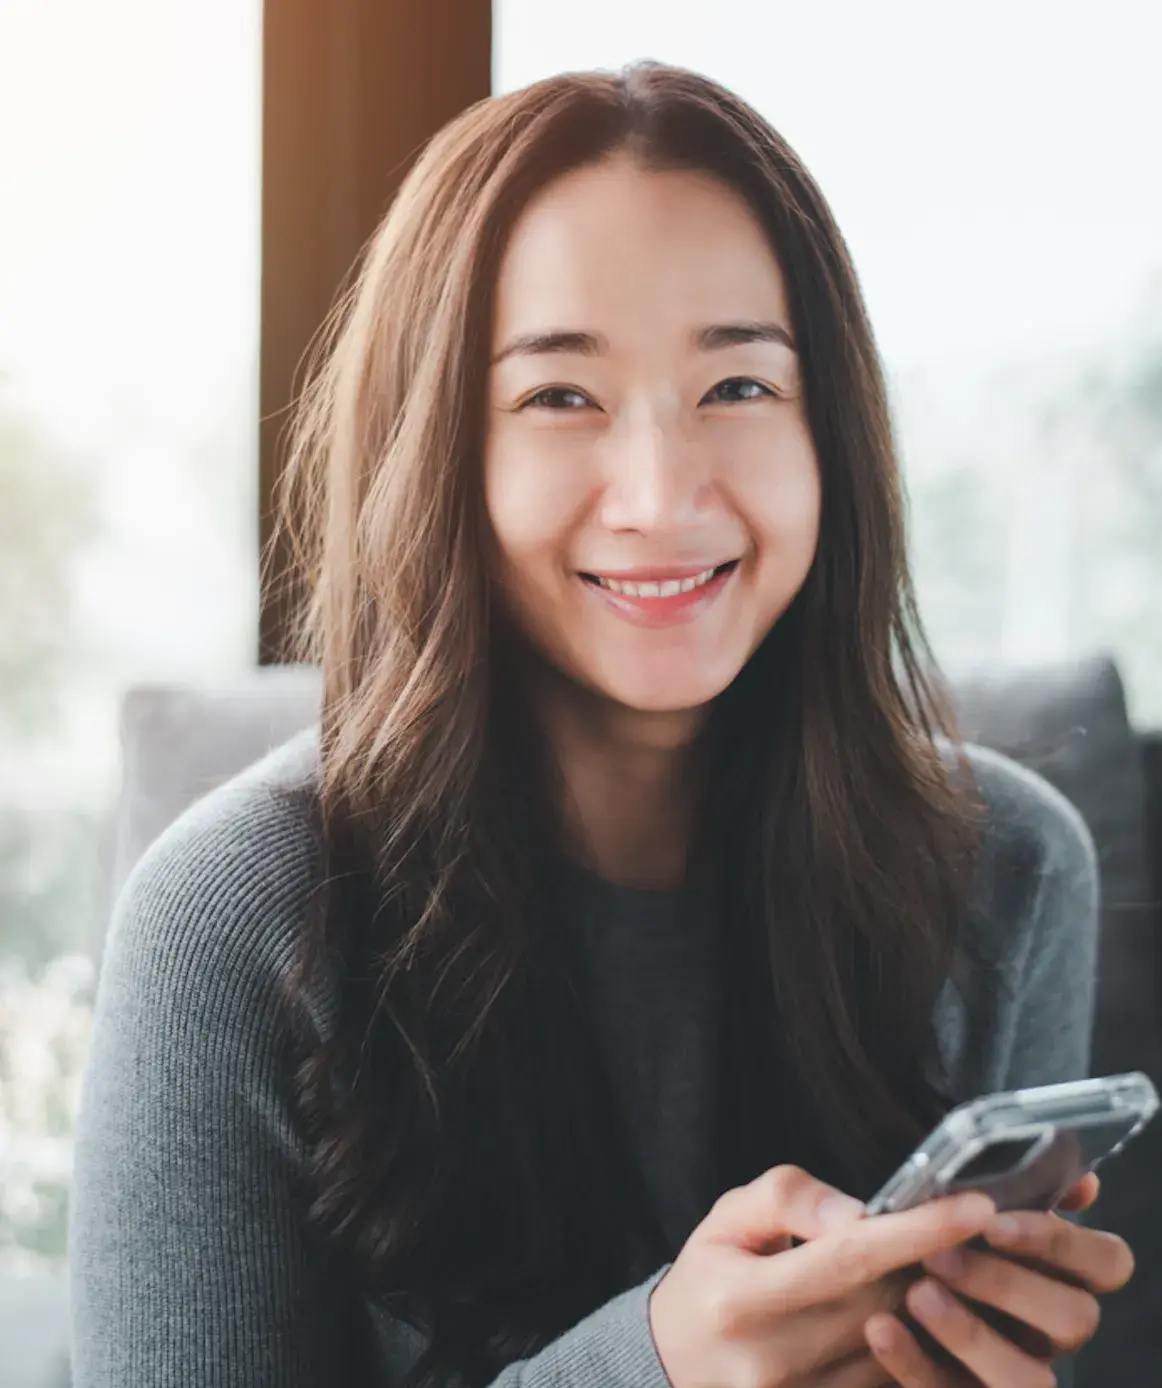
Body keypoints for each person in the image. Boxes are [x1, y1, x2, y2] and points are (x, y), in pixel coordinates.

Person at [68, 62, 1134, 1388]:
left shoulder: (1006, 868)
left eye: (737, 388)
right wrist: (652, 1368)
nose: (659, 493)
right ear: (435, 449)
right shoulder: (230, 923)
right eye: (558, 398)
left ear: (832, 432)